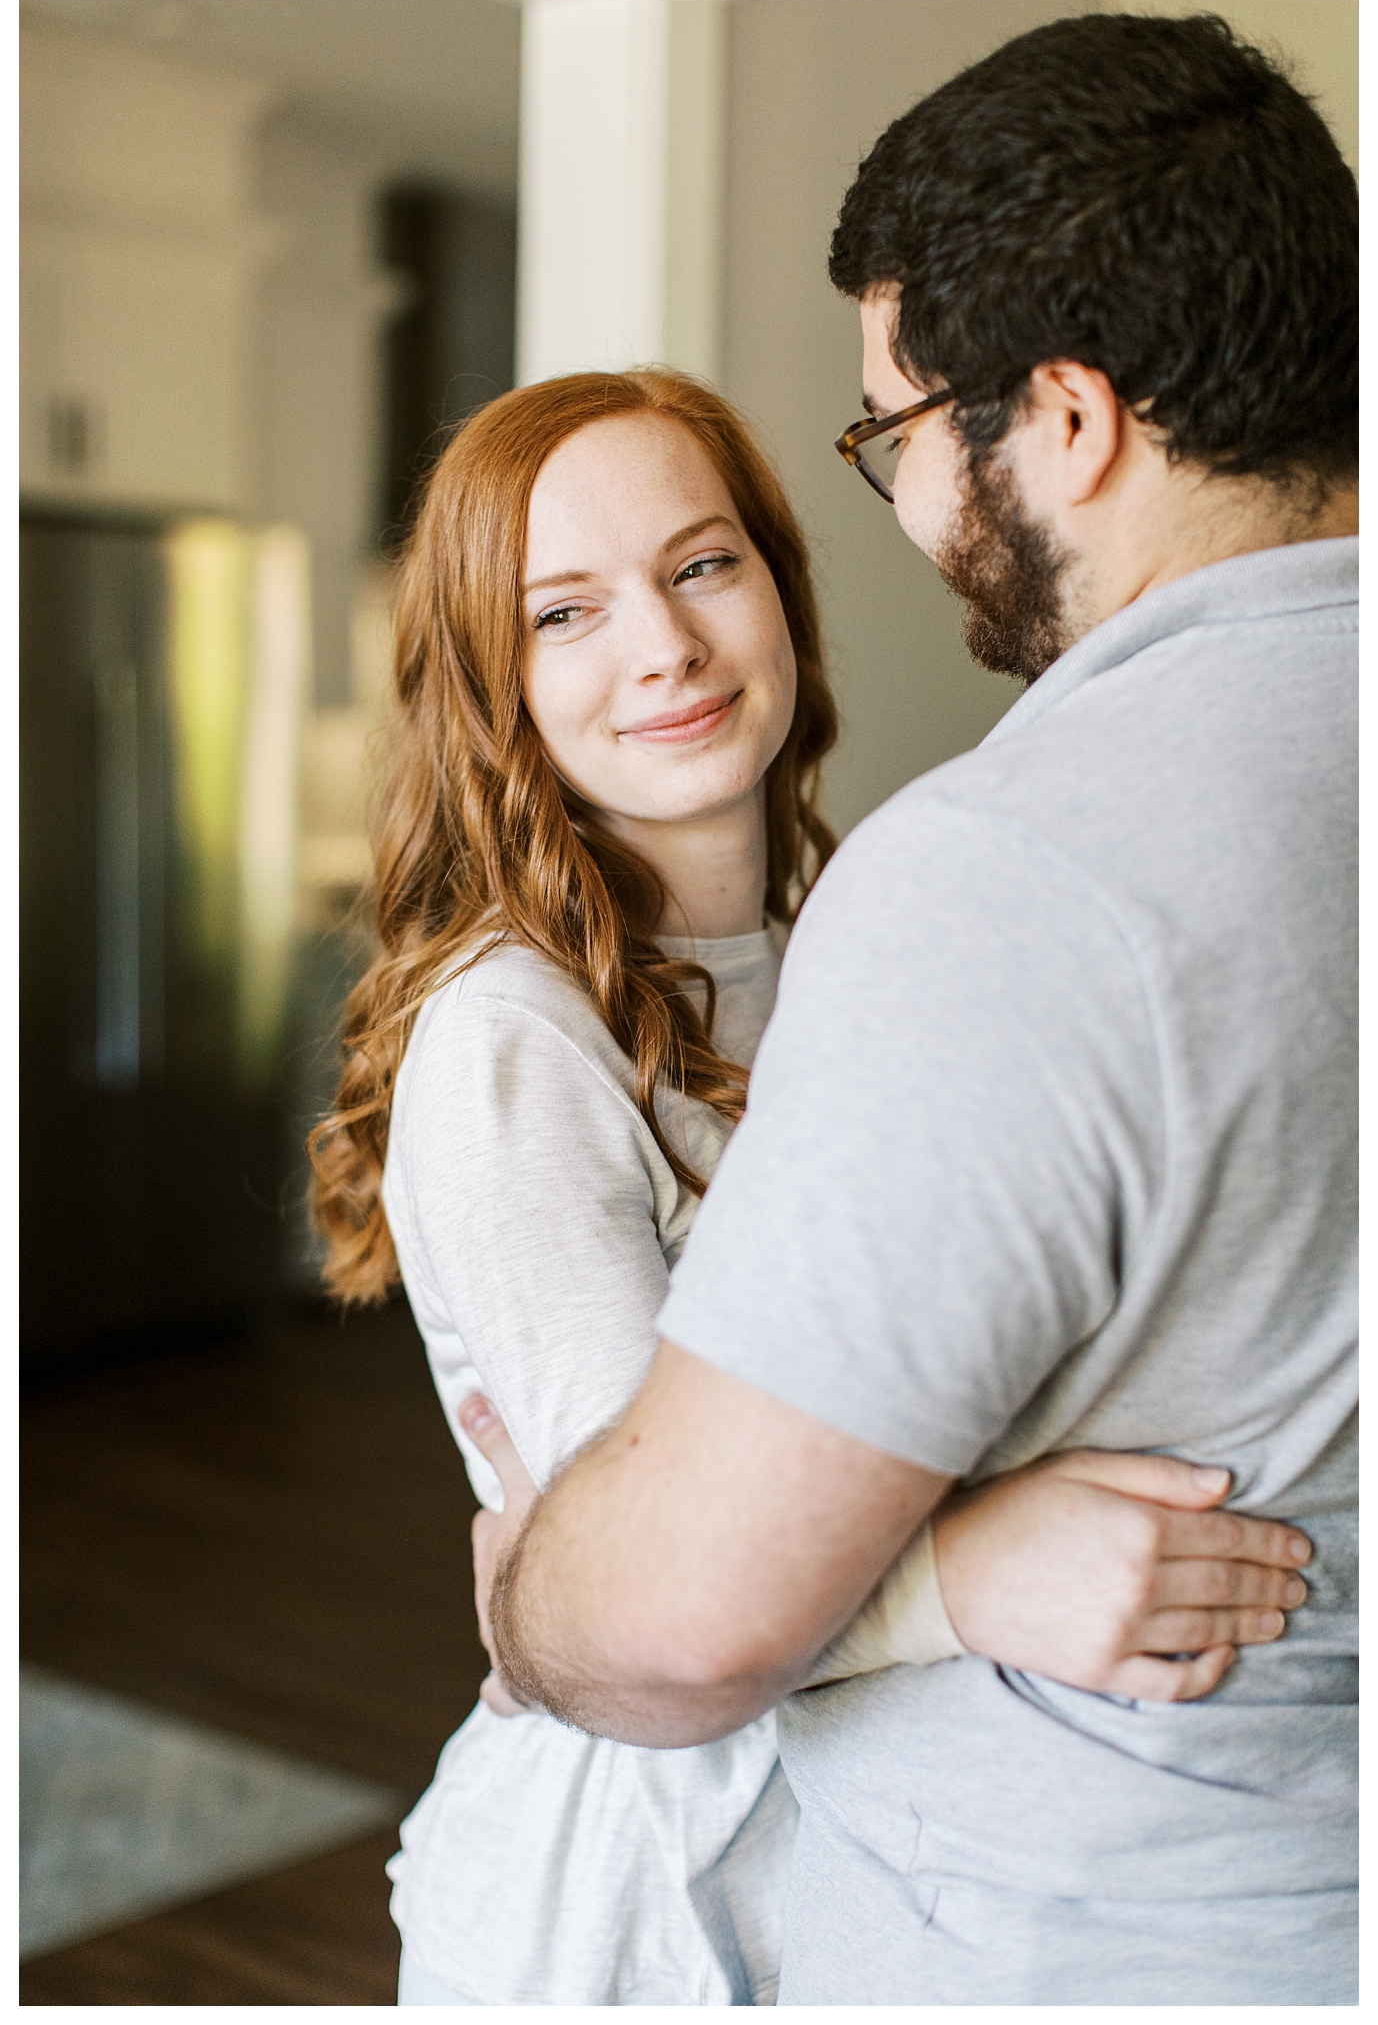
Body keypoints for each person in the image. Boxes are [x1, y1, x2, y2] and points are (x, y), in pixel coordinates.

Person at [481, 13, 1358, 2007]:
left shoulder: (1005, 873)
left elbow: (674, 1620)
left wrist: (534, 1608)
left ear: (1062, 420)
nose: (894, 496)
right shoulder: (522, 1036)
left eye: (894, 431)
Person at [309, 366, 1309, 2008]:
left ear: (779, 584)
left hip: (874, 1862)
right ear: (487, 685)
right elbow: (649, 1591)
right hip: (630, 1911)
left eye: (702, 565)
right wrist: (971, 1572)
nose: (665, 647)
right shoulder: (511, 1037)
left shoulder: (864, 925)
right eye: (564, 613)